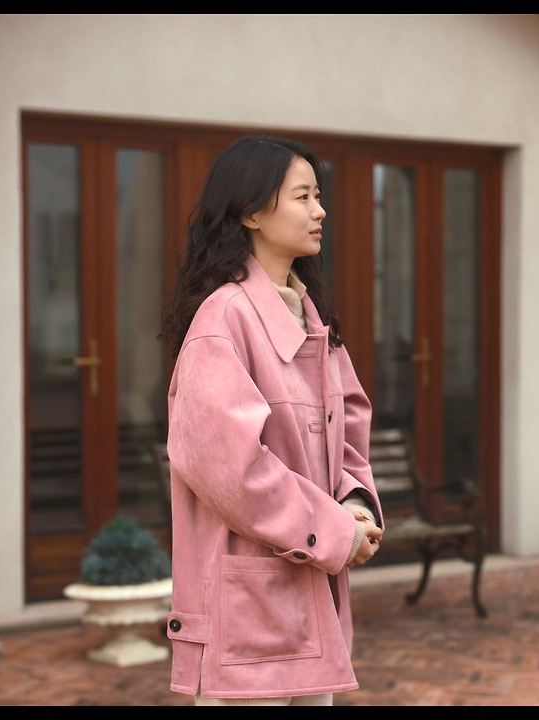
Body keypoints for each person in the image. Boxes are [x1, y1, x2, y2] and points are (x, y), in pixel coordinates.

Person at [160, 135, 384, 706]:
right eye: (303, 197)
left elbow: (347, 428)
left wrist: (356, 505)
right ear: (252, 213)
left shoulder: (312, 318)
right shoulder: (223, 320)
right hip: (248, 619)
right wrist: (335, 532)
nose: (320, 211)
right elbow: (233, 470)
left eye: (319, 196)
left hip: (310, 603)